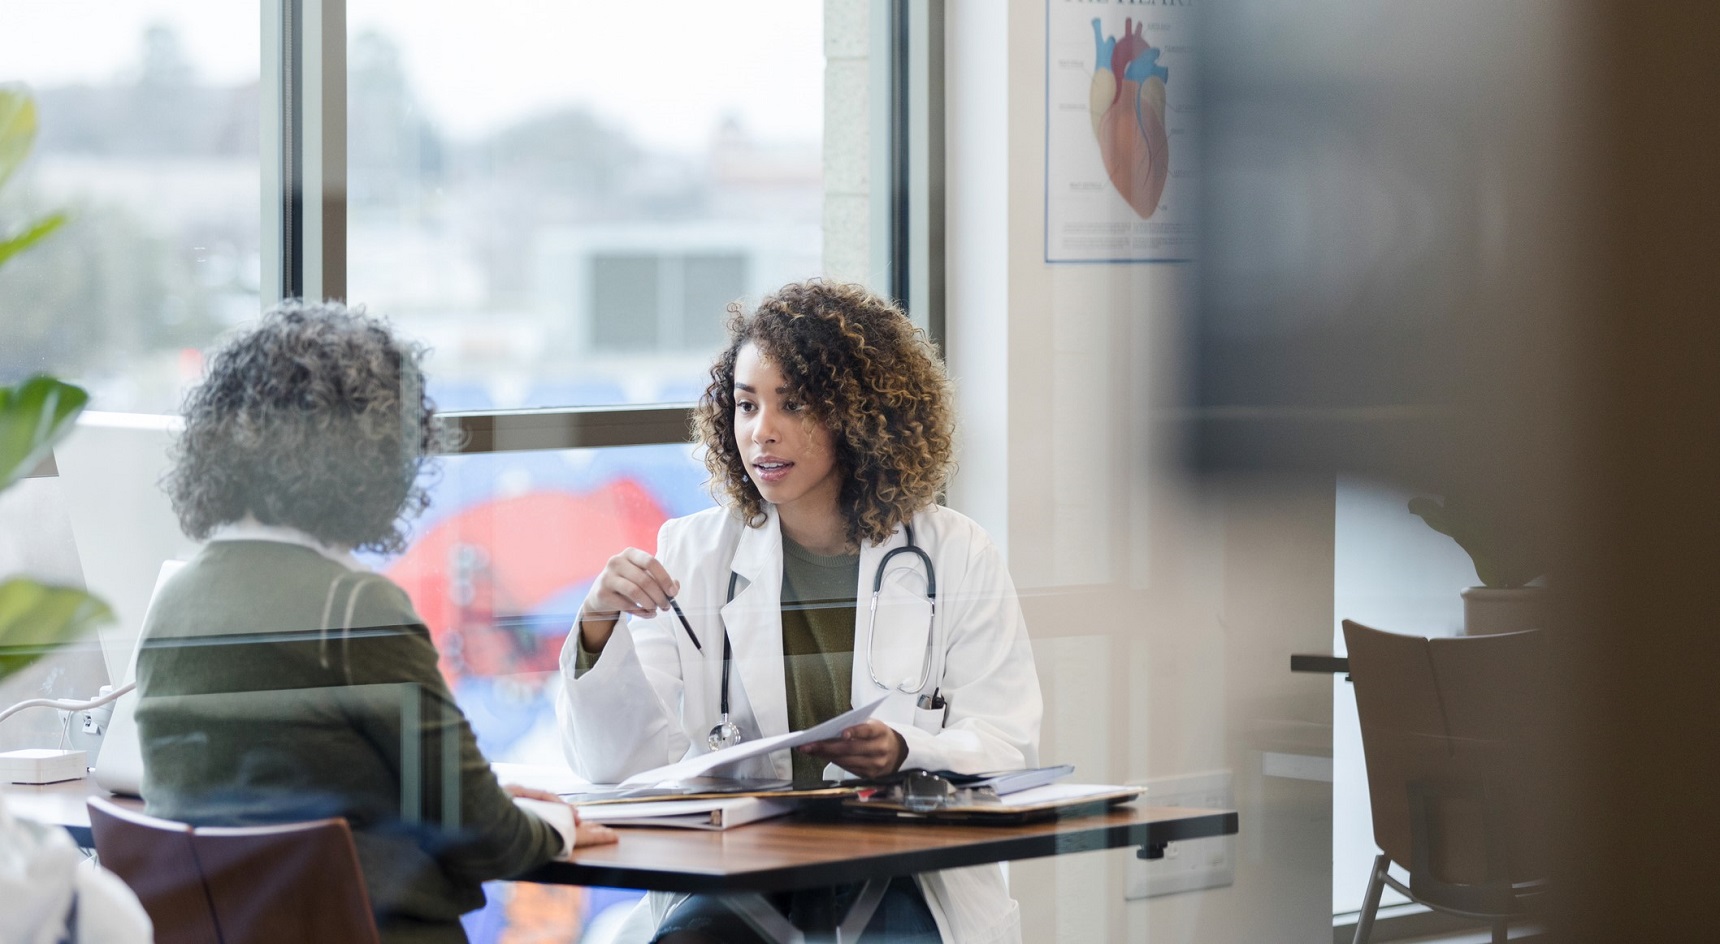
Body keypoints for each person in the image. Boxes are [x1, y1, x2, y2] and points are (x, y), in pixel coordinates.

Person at [558, 280, 1042, 944]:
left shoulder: (955, 554)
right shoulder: (693, 553)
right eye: (747, 405)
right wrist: (596, 626)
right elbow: (621, 768)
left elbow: (1007, 744)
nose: (762, 432)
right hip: (745, 870)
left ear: (859, 413)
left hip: (901, 871)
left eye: (793, 405)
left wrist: (907, 749)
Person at [138, 300, 615, 944]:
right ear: (374, 452)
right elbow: (486, 839)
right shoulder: (355, 610)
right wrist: (553, 823)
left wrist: (486, 799)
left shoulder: (174, 600)